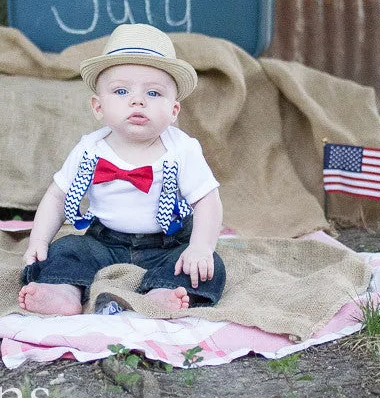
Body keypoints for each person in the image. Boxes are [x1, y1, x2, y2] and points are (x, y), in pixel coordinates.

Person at [19, 23, 226, 316]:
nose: (137, 100)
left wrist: (201, 247)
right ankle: (63, 291)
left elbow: (207, 200)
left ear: (174, 111)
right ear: (98, 107)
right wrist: (38, 240)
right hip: (104, 241)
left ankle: (162, 292)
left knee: (207, 265)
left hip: (166, 244)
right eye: (121, 91)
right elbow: (57, 197)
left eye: (154, 93)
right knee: (65, 250)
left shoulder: (183, 150)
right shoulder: (90, 149)